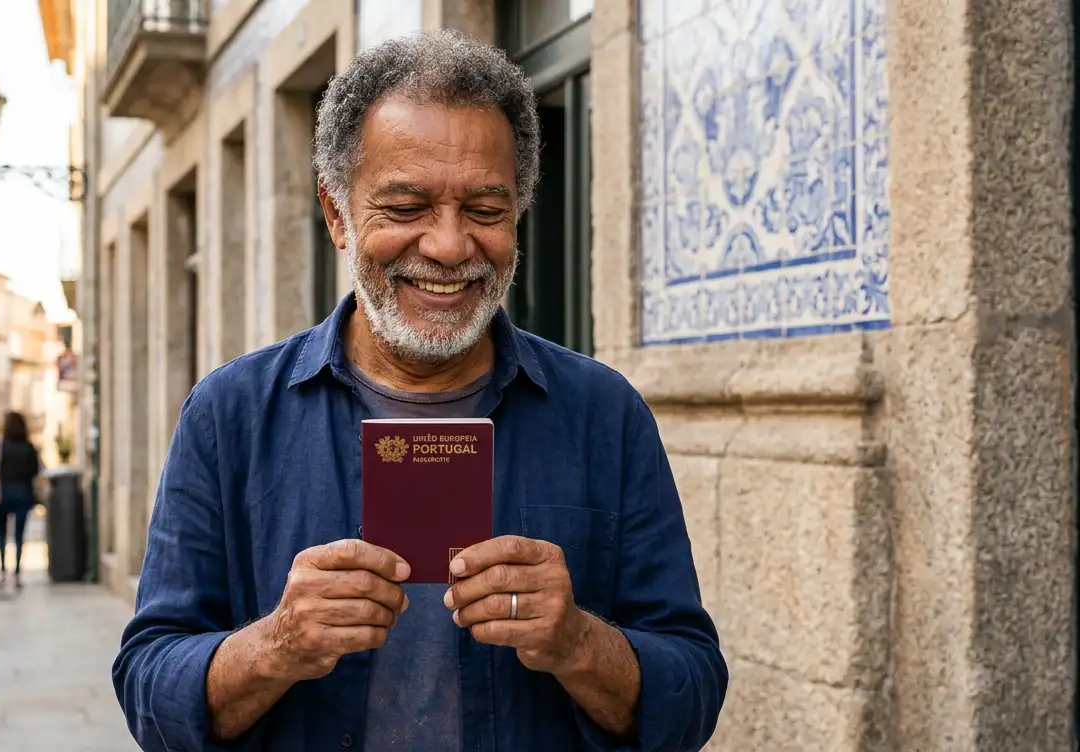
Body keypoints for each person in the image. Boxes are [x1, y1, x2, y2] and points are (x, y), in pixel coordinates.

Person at [110, 30, 727, 752]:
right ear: (337, 214)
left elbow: (693, 692)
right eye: (405, 208)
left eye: (486, 210)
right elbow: (149, 690)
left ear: (519, 213)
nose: (448, 246)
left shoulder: (602, 414)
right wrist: (275, 645)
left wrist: (577, 640)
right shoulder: (231, 415)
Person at [0, 412, 42, 591]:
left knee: (2, 534)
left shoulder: (0, 446)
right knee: (19, 535)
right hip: (23, 493)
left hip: (3, 494)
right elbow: (36, 470)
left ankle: (3, 571)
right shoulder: (29, 447)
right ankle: (17, 572)